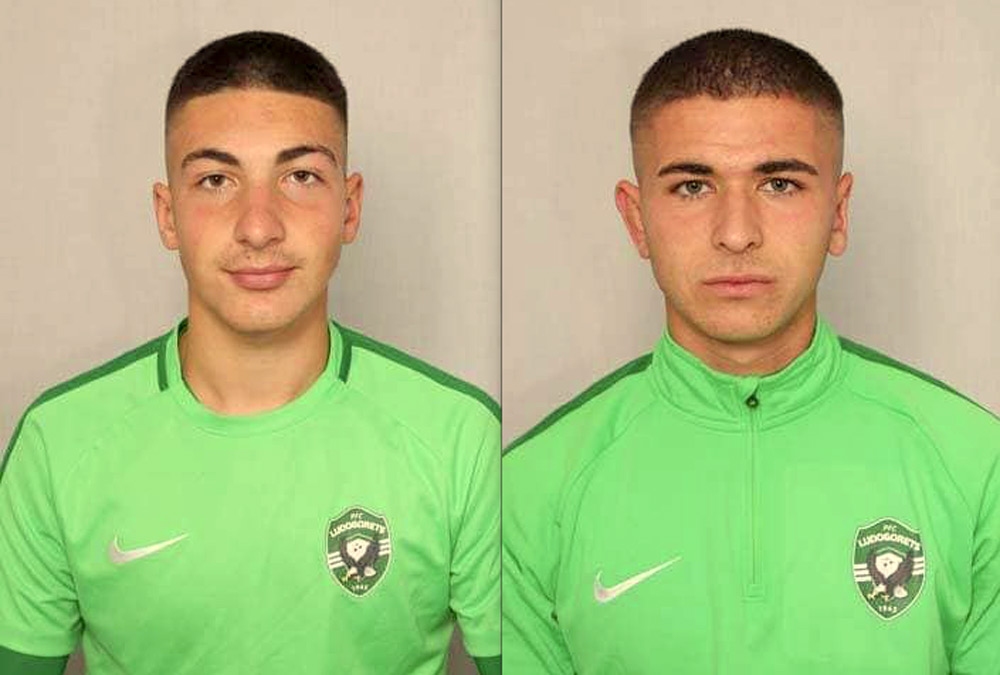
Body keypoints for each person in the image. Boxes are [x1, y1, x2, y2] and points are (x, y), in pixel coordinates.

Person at [0, 31, 500, 675]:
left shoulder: (461, 441)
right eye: (215, 180)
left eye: (300, 177)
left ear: (349, 207)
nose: (258, 226)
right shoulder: (59, 444)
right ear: (168, 214)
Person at [502, 28, 999, 674]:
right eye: (692, 187)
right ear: (636, 219)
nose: (736, 233)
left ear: (838, 213)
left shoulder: (977, 462)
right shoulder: (527, 489)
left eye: (780, 184)